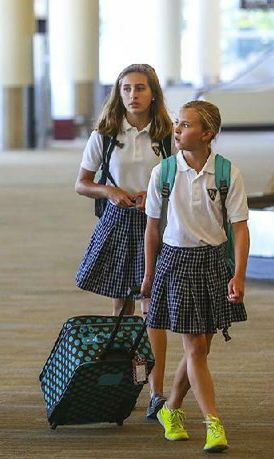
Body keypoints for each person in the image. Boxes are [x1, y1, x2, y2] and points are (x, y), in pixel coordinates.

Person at [141, 100, 249, 453]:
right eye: (177, 124)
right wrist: (149, 274)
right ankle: (213, 424)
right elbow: (153, 229)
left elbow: (240, 228)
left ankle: (171, 409)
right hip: (177, 263)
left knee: (200, 349)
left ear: (207, 134)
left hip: (214, 264)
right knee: (196, 348)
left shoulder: (226, 174)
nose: (176, 130)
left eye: (185, 126)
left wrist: (239, 275)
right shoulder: (163, 173)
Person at [72, 64, 175, 419]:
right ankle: (121, 379)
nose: (133, 95)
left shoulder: (166, 135)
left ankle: (155, 389)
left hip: (155, 223)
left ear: (153, 94)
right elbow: (82, 183)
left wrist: (158, 192)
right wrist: (109, 190)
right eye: (127, 89)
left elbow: (181, 177)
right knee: (121, 307)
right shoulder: (105, 133)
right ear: (119, 94)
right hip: (118, 221)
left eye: (140, 88)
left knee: (152, 304)